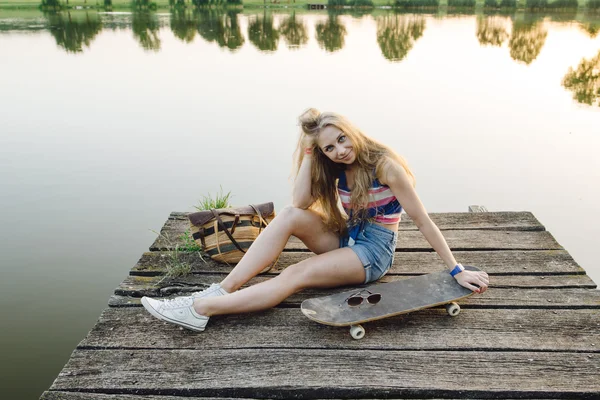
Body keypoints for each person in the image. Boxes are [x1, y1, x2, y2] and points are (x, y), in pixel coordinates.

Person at [141, 108, 490, 332]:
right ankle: (223, 289)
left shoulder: (385, 166)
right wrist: (309, 151)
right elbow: (299, 202)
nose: (339, 150)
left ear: (351, 131)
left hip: (373, 253)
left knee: (296, 273)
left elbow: (423, 220)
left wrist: (456, 270)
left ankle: (201, 308)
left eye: (341, 139)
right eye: (329, 147)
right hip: (347, 239)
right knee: (292, 215)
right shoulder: (335, 168)